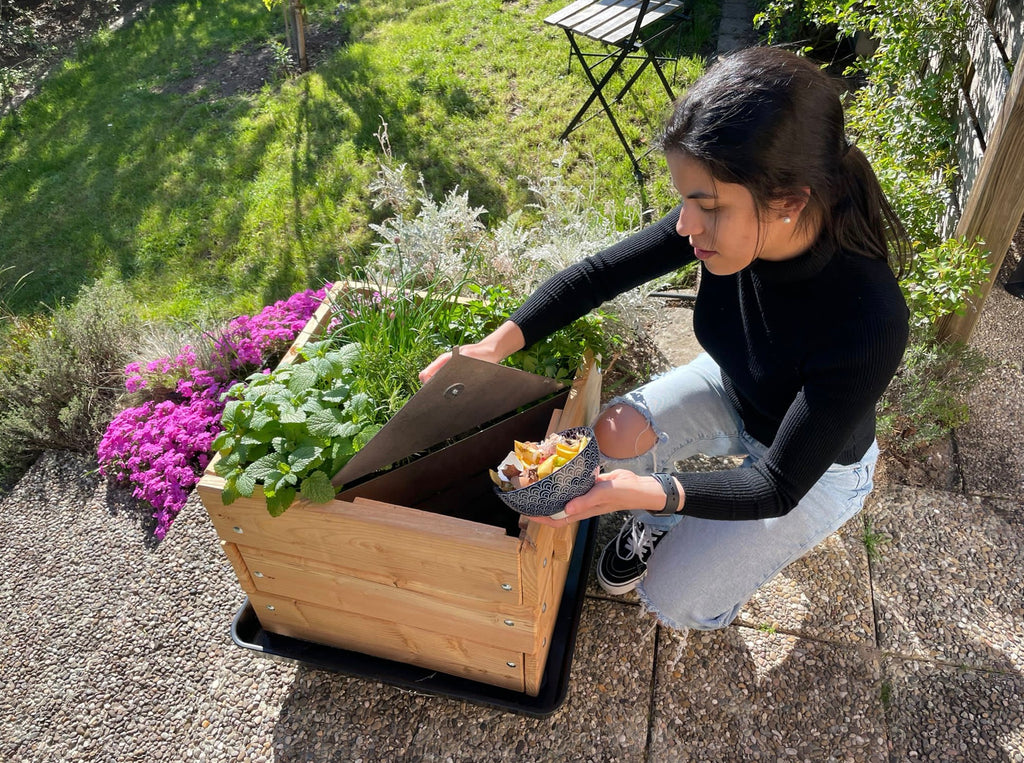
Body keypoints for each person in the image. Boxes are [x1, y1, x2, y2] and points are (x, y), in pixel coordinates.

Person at [420, 46, 911, 632]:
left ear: (789, 202)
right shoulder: (725, 218)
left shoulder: (869, 318)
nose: (684, 226)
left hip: (815, 466)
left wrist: (656, 489)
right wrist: (492, 347)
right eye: (683, 199)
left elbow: (774, 484)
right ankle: (658, 523)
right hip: (736, 387)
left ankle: (717, 569)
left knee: (677, 597)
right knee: (612, 435)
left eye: (705, 206)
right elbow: (598, 275)